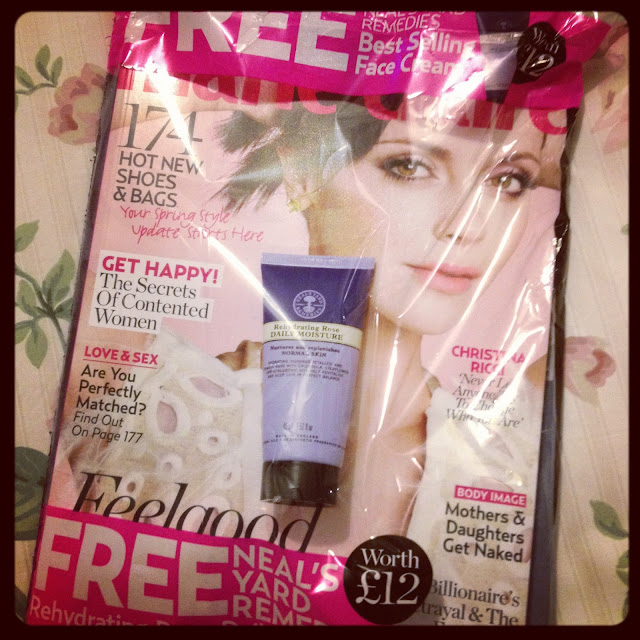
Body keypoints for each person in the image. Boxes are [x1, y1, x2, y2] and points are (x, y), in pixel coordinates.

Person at [214, 91, 565, 556]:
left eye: (508, 180)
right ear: (301, 171)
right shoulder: (184, 404)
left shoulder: (503, 450)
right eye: (410, 166)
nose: (466, 227)